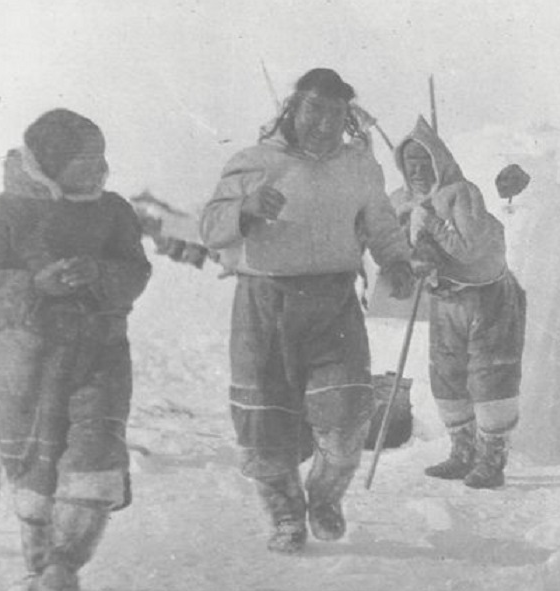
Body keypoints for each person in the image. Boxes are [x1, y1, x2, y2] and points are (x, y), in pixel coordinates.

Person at [200, 68, 416, 553]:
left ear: (348, 117)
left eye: (336, 113)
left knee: (345, 423)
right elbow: (212, 228)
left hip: (333, 304)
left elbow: (379, 222)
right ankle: (285, 518)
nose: (324, 123)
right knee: (265, 428)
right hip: (264, 306)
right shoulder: (253, 162)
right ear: (292, 109)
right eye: (314, 110)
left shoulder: (358, 165)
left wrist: (397, 260)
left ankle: (322, 499)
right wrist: (247, 208)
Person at [0, 109, 152, 591]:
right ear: (51, 162)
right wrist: (33, 285)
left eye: (101, 160)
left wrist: (98, 273)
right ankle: (40, 560)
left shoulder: (114, 210)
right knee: (36, 466)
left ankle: (65, 563)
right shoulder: (2, 214)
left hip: (99, 350)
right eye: (83, 162)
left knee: (94, 452)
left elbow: (135, 270)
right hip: (28, 359)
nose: (97, 171)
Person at [391, 116, 526, 489]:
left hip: (488, 297)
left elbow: (469, 248)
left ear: (438, 160)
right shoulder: (404, 199)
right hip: (446, 297)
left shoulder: (461, 193)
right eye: (410, 162)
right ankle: (462, 453)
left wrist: (431, 223)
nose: (417, 169)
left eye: (424, 160)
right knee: (447, 377)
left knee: (489, 375)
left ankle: (491, 461)